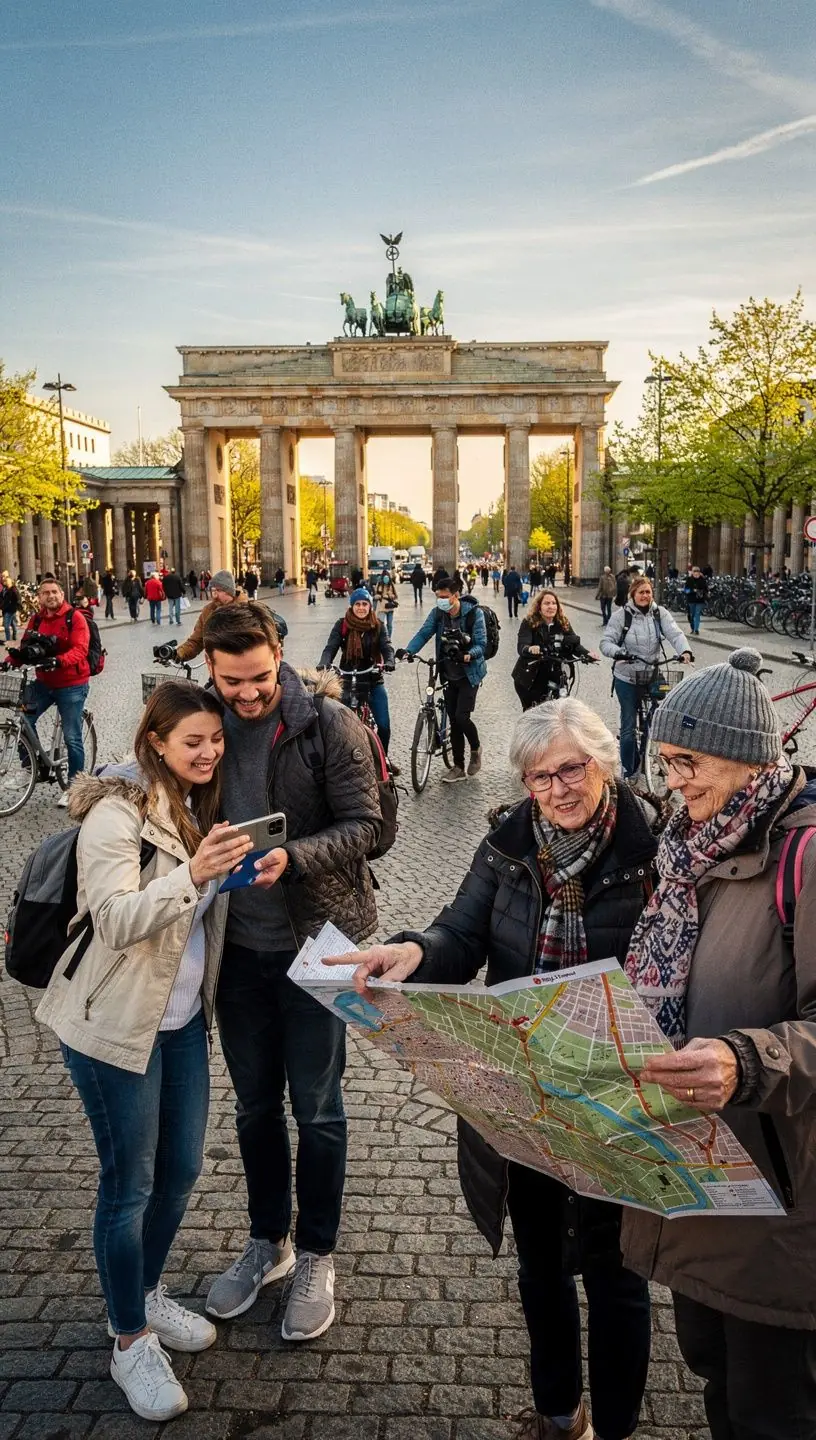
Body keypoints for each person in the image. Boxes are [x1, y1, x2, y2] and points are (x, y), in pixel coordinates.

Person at [330, 700, 658, 1440]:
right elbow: (460, 930)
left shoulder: (654, 849)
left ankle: (615, 1429)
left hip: (617, 1098)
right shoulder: (507, 845)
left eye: (571, 768)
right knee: (540, 1265)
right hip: (525, 1094)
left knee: (616, 1276)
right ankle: (556, 1415)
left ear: (603, 762)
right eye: (540, 776)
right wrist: (414, 952)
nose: (557, 789)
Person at [35, 683, 255, 1421]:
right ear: (154, 741)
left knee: (183, 1169)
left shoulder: (200, 807)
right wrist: (195, 876)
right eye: (193, 741)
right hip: (113, 1024)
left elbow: (196, 917)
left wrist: (242, 872)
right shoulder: (115, 810)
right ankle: (128, 1338)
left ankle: (145, 1291)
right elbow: (115, 917)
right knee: (128, 1183)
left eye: (215, 740)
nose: (209, 752)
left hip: (183, 1019)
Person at [622, 649, 816, 1440]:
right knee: (718, 1381)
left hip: (781, 1196)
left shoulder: (803, 853)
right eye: (667, 763)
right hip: (699, 1180)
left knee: (775, 1411)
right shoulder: (687, 846)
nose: (674, 782)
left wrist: (748, 1058)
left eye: (688, 762)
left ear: (746, 757)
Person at [200, 603, 382, 1342]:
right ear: (209, 669)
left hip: (318, 943)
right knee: (251, 1109)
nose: (247, 694)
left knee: (319, 1109)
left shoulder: (328, 724)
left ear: (280, 652)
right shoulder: (201, 722)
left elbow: (372, 826)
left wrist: (294, 856)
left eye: (260, 677)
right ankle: (266, 1240)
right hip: (236, 949)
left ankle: (316, 1254)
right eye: (231, 681)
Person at [8, 576, 90, 805]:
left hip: (72, 683)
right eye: (46, 593)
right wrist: (9, 661)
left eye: (55, 591)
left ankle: (75, 788)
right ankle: (29, 766)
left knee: (72, 736)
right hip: (44, 682)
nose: (51, 596)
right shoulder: (35, 620)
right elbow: (25, 649)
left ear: (61, 595)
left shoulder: (75, 618)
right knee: (24, 718)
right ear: (40, 597)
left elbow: (80, 650)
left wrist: (58, 661)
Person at [600, 576, 693, 777]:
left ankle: (657, 747)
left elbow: (675, 634)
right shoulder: (621, 616)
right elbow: (606, 642)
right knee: (628, 727)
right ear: (633, 594)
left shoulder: (659, 613)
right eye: (641, 592)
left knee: (668, 709)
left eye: (648, 592)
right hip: (627, 677)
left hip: (652, 673)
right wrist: (618, 652)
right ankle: (629, 768)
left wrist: (685, 651)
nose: (645, 596)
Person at [398, 574, 486, 783]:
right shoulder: (438, 614)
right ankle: (458, 767)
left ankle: (475, 748)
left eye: (444, 596)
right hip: (448, 672)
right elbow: (424, 633)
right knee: (454, 720)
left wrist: (468, 654)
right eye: (438, 596)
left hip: (469, 673)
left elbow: (482, 644)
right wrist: (409, 651)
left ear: (456, 596)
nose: (441, 600)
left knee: (462, 717)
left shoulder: (475, 614)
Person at [318, 588, 396, 758]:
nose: (361, 608)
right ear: (352, 606)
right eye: (358, 604)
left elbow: (386, 646)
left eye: (365, 604)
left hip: (372, 678)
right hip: (346, 677)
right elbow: (331, 647)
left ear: (370, 606)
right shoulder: (342, 625)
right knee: (338, 724)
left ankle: (383, 760)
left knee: (383, 725)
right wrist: (324, 662)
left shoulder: (378, 626)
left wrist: (389, 661)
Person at [513, 590, 597, 711]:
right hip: (532, 675)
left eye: (554, 603)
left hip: (556, 671)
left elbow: (574, 644)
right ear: (539, 606)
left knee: (560, 709)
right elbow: (522, 646)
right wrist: (530, 648)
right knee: (533, 712)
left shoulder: (563, 622)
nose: (551, 606)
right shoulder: (529, 622)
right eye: (547, 603)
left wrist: (587, 654)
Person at [683, 564, 708, 636]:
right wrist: (692, 590)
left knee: (697, 614)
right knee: (692, 615)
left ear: (699, 572)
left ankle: (696, 629)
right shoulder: (689, 579)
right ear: (692, 572)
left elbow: (706, 589)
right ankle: (693, 628)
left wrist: (701, 592)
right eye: (695, 571)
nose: (696, 573)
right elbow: (686, 590)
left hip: (700, 600)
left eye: (697, 571)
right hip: (691, 600)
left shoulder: (702, 580)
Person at [374, 570, 399, 637]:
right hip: (382, 608)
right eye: (384, 577)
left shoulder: (391, 585)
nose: (386, 579)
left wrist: (391, 596)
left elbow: (396, 596)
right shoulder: (379, 584)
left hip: (390, 607)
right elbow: (375, 595)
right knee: (381, 624)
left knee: (389, 625)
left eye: (387, 577)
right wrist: (378, 596)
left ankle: (389, 638)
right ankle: (382, 637)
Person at [1, 576, 20, 641]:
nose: (4, 582)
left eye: (6, 581)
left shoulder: (13, 589)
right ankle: (14, 636)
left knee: (6, 627)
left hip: (10, 610)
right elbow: (1, 598)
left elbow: (17, 598)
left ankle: (8, 640)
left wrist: (15, 606)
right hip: (6, 609)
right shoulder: (4, 589)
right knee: (13, 624)